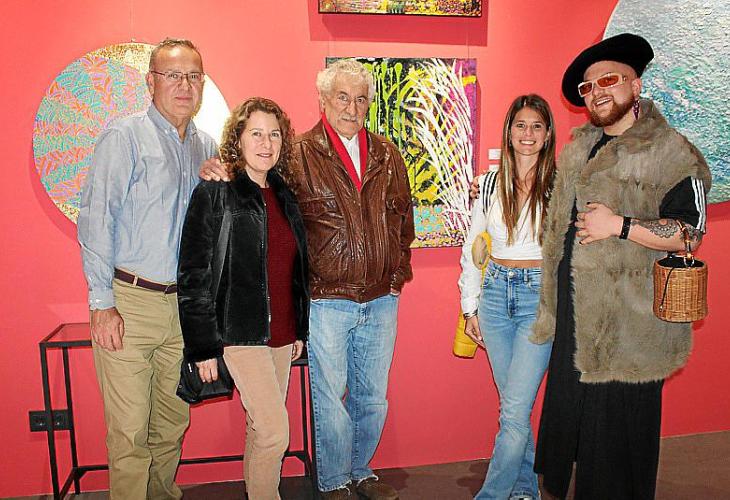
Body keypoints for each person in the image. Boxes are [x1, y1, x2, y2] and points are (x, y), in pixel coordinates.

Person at [201, 58, 415, 499]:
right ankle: (334, 481)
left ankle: (362, 472)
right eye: (342, 97)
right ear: (323, 100)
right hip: (327, 298)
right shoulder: (296, 154)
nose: (352, 107)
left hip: (380, 298)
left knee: (373, 397)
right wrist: (217, 167)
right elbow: (255, 182)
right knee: (330, 399)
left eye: (361, 99)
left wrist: (396, 276)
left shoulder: (388, 155)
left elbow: (403, 222)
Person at [531, 33, 711, 499]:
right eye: (588, 87)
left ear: (636, 85)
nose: (597, 92)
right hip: (576, 323)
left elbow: (690, 233)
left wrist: (620, 225)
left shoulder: (673, 151)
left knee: (619, 451)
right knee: (578, 441)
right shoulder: (579, 149)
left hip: (631, 329)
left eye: (608, 80)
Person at [77, 38, 217, 499]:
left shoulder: (206, 148)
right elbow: (97, 219)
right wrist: (102, 304)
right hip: (130, 304)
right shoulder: (124, 137)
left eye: (193, 76)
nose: (184, 85)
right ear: (150, 82)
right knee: (130, 433)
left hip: (183, 308)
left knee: (173, 423)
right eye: (173, 75)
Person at [177, 97, 308, 499]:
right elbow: (194, 275)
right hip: (239, 333)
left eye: (274, 135)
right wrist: (203, 348)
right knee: (275, 432)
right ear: (238, 138)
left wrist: (298, 328)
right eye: (256, 133)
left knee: (260, 429)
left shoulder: (285, 195)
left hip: (281, 334)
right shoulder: (216, 192)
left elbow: (295, 271)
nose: (266, 143)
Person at [459, 95, 557, 500]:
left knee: (513, 411)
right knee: (514, 407)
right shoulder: (487, 185)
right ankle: (525, 490)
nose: (528, 134)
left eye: (536, 126)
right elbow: (473, 248)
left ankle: (492, 495)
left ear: (548, 134)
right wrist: (470, 306)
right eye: (520, 125)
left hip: (539, 298)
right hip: (496, 297)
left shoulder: (561, 185)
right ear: (509, 131)